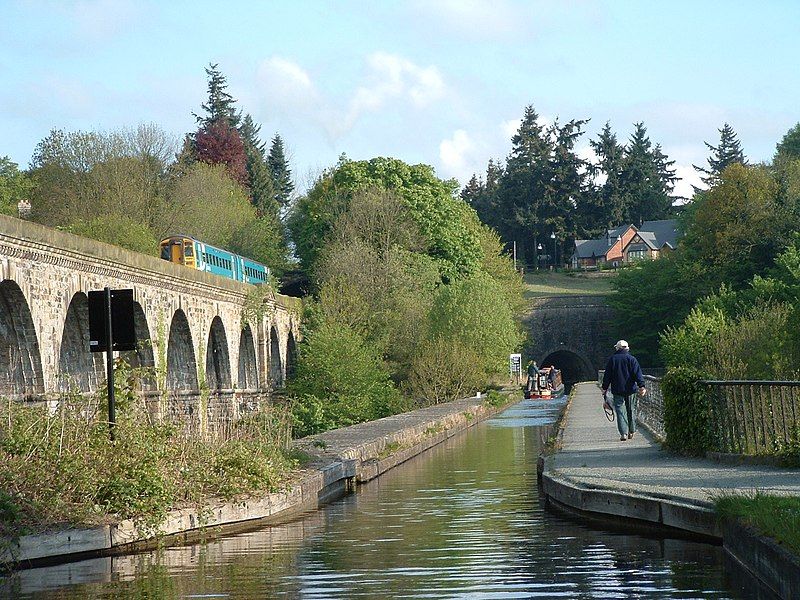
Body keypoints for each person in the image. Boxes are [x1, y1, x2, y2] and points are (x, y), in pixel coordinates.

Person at [601, 340, 646, 441]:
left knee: (620, 411)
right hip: (630, 389)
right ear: (627, 348)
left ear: (617, 348)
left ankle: (623, 433)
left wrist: (604, 388)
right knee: (631, 410)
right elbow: (637, 374)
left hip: (617, 390)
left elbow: (607, 376)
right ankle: (632, 430)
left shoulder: (612, 360)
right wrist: (641, 386)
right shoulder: (632, 359)